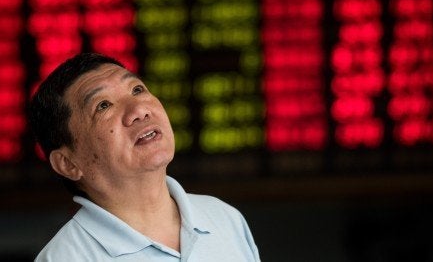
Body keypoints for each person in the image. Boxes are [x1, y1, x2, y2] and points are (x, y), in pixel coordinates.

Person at [28, 52, 260, 261]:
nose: (139, 110)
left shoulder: (223, 218)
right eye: (103, 105)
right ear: (68, 163)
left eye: (137, 89)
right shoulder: (66, 257)